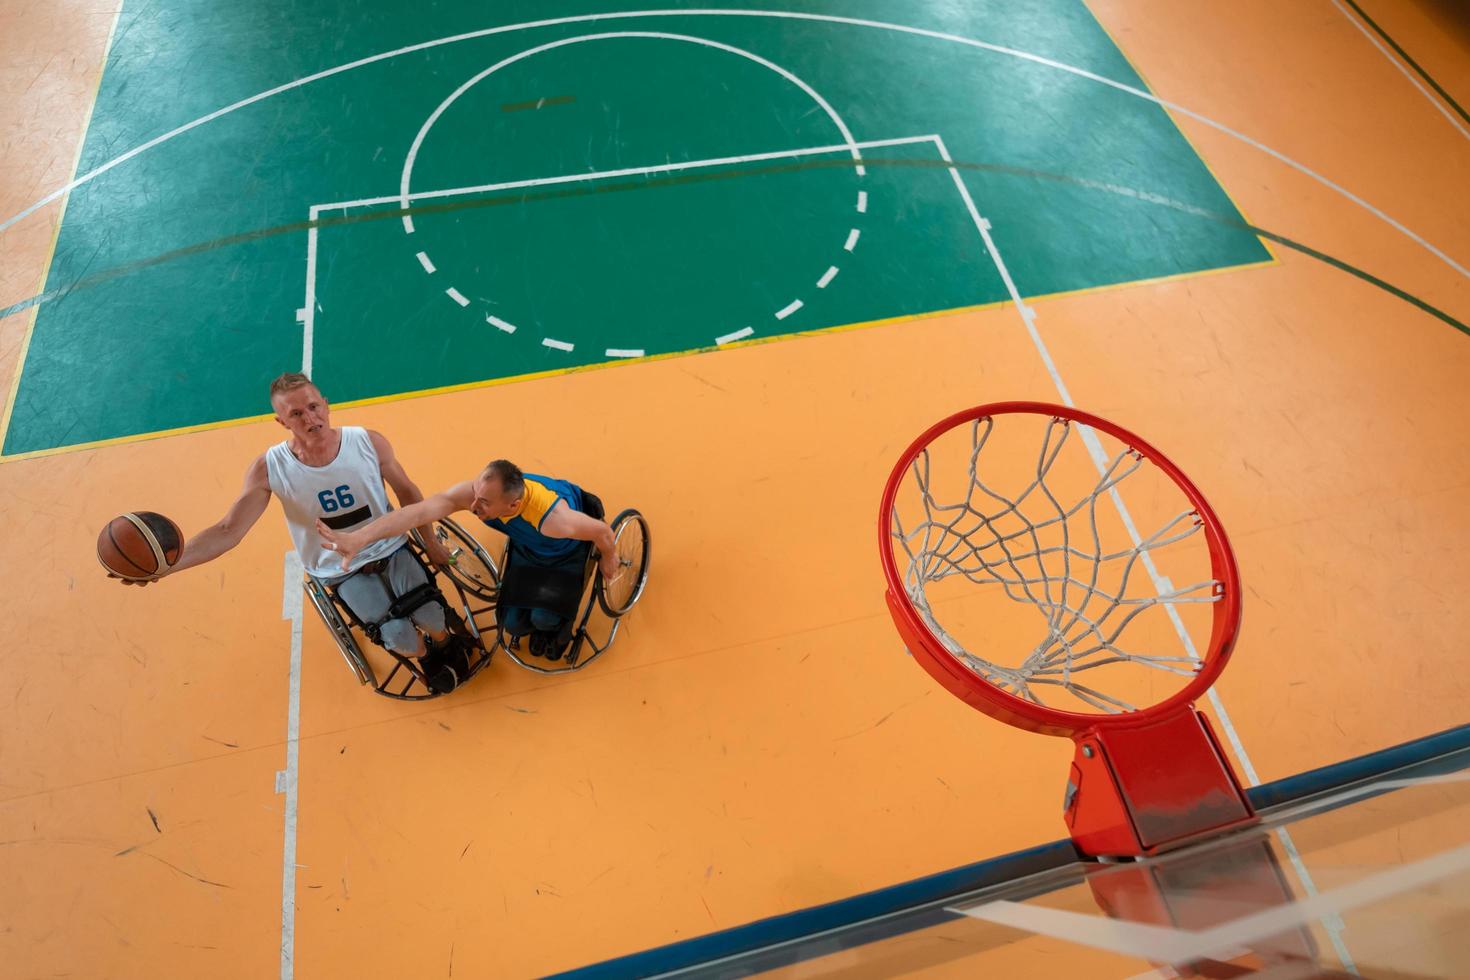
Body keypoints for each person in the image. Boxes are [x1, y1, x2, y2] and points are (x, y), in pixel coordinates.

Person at [116, 372, 467, 691]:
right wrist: (169, 566)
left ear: (326, 405)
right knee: (400, 637)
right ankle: (424, 655)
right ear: (281, 421)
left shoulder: (368, 443)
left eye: (314, 406)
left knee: (432, 615)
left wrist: (431, 543)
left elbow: (408, 494)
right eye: (296, 414)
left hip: (387, 547)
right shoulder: (269, 468)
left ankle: (445, 641)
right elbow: (228, 530)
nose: (310, 418)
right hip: (336, 569)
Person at [317, 459, 620, 660]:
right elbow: (417, 512)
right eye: (475, 493)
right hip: (529, 549)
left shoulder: (554, 519)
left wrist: (609, 557)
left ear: (512, 504)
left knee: (544, 619)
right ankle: (541, 620)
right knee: (513, 624)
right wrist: (361, 538)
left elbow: (603, 532)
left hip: (562, 554)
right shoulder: (475, 496)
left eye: (483, 502)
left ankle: (557, 628)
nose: (472, 505)